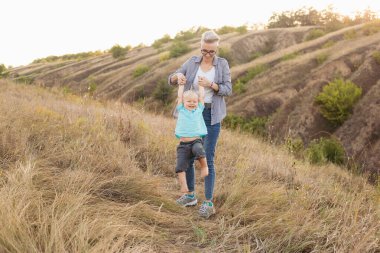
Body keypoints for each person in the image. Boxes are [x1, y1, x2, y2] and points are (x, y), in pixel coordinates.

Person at [168, 30, 232, 218]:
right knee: (187, 153)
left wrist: (211, 85)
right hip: (190, 115)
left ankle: (208, 202)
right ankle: (190, 196)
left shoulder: (222, 64)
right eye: (204, 50)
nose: (207, 54)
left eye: (211, 51)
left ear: (216, 49)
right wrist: (176, 78)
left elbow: (228, 89)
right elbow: (172, 77)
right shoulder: (192, 62)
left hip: (211, 115)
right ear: (200, 46)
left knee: (207, 158)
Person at [175, 84, 208, 195]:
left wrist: (201, 86)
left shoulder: (198, 110)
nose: (192, 103)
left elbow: (202, 97)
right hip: (183, 144)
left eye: (194, 101)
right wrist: (181, 85)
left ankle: (204, 167)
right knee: (180, 167)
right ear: (183, 102)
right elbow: (179, 97)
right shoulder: (181, 110)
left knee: (199, 150)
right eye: (189, 101)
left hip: (196, 141)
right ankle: (184, 186)